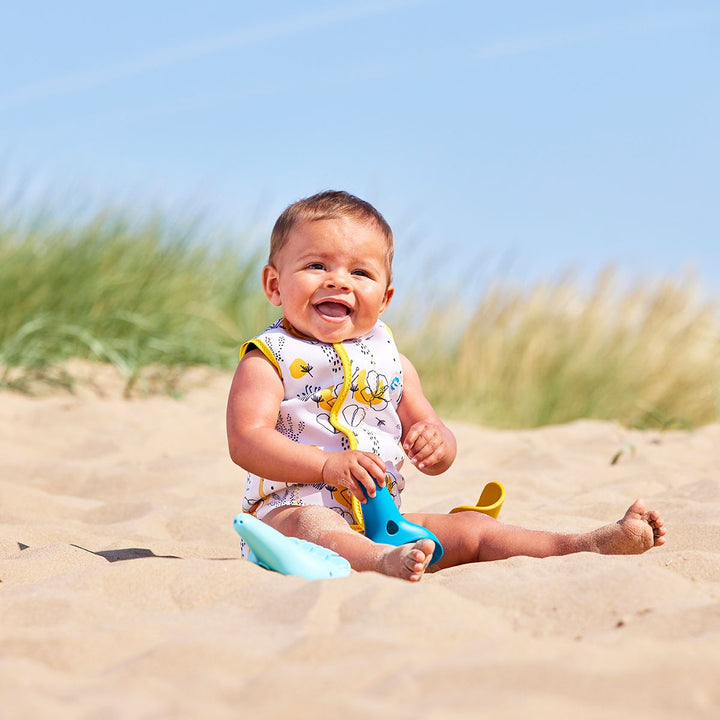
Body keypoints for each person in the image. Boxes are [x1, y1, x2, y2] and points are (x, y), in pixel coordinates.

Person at [226, 190, 666, 581]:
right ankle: (380, 563)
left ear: (385, 299)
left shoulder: (393, 363)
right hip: (286, 514)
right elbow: (247, 440)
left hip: (383, 517)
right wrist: (325, 467)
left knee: (476, 531)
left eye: (360, 273)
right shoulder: (269, 358)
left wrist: (437, 445)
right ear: (274, 284)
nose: (338, 280)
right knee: (315, 527)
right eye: (316, 265)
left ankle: (585, 544)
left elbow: (435, 438)